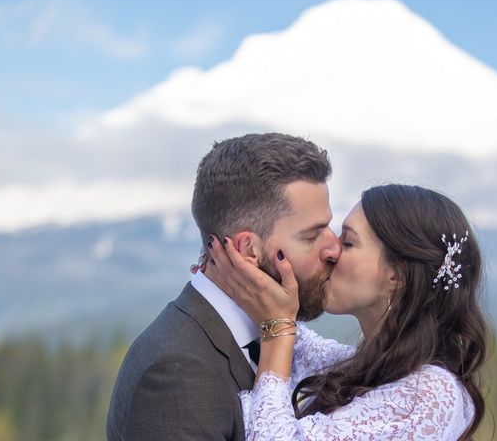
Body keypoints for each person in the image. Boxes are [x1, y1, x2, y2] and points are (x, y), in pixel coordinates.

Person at [106, 133, 341, 440]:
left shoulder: (267, 336)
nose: (334, 249)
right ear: (247, 250)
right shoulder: (176, 373)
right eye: (312, 236)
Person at [208, 184, 488, 440]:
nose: (331, 250)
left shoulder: (429, 394)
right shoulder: (374, 369)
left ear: (397, 275)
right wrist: (246, 276)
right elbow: (300, 347)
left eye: (349, 242)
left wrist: (276, 328)